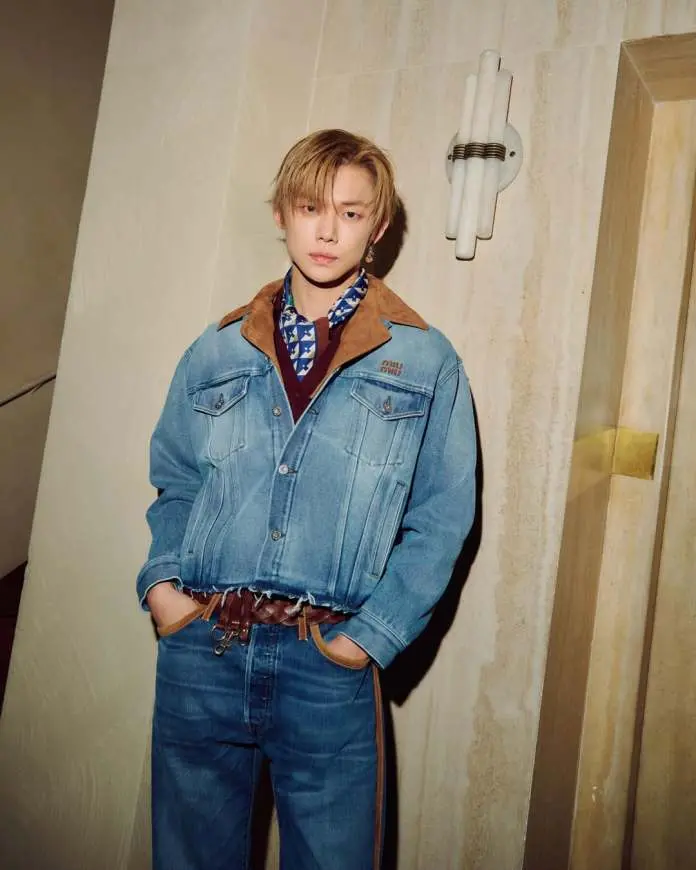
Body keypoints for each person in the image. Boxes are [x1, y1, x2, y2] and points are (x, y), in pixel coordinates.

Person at [137, 128, 477, 870]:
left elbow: (442, 519)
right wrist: (166, 591)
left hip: (325, 662)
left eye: (352, 214)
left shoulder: (424, 358)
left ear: (378, 228)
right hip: (203, 648)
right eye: (311, 206)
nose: (328, 229)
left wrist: (364, 641)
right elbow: (177, 480)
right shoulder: (218, 347)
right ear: (282, 213)